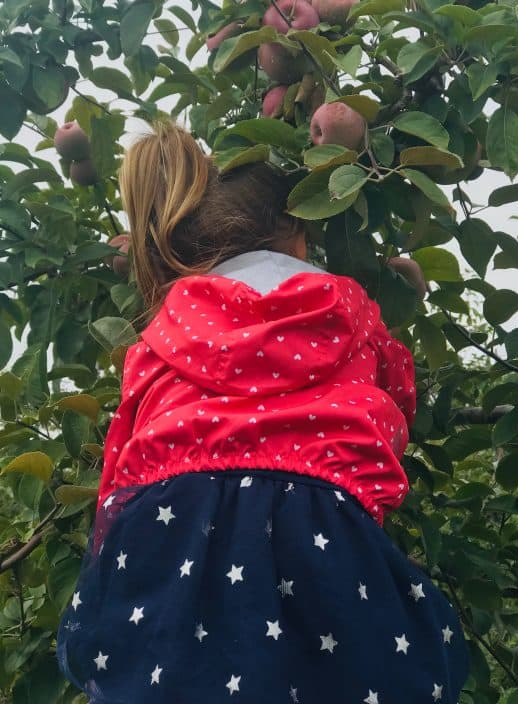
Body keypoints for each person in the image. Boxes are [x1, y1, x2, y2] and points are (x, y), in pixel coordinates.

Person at [56, 122, 469, 703]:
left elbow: (125, 449)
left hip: (166, 536)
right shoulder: (349, 307)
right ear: (297, 224)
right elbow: (399, 399)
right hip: (323, 532)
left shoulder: (162, 331)